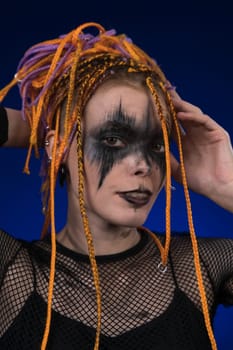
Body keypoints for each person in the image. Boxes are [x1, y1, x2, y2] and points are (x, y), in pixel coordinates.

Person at [0, 21, 233, 350]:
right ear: (59, 147)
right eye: (112, 139)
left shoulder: (201, 266)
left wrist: (226, 187)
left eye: (156, 145)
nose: (141, 165)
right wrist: (39, 126)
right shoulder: (11, 273)